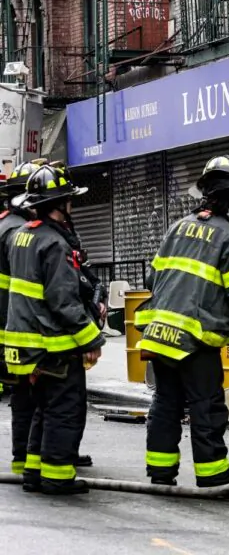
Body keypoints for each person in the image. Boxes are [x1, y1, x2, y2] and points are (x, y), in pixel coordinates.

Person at [135, 155, 229, 498]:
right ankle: (215, 478)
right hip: (195, 341)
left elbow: (152, 276)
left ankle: (161, 473)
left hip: (161, 336)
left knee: (166, 403)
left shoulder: (177, 227)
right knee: (206, 407)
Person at [3, 164, 103, 495]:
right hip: (52, 345)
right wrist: (92, 338)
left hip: (26, 345)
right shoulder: (54, 244)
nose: (73, 207)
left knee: (41, 409)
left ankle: (34, 473)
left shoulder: (22, 236)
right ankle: (58, 478)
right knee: (64, 410)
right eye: (70, 201)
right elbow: (63, 301)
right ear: (60, 204)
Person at [0, 161, 43, 483]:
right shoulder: (20, 232)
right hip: (19, 326)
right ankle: (34, 455)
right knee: (34, 395)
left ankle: (25, 456)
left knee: (21, 394)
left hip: (8, 324)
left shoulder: (5, 224)